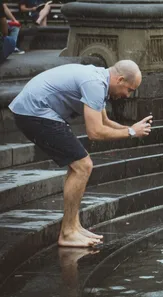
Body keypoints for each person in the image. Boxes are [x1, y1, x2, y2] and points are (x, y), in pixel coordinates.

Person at [9, 60, 153, 247]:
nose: (127, 95)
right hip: (33, 112)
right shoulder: (95, 84)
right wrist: (131, 132)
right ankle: (68, 233)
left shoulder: (99, 80)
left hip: (35, 110)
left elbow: (105, 122)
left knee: (79, 166)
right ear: (120, 79)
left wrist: (131, 129)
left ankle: (73, 227)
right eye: (129, 89)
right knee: (83, 166)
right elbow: (94, 132)